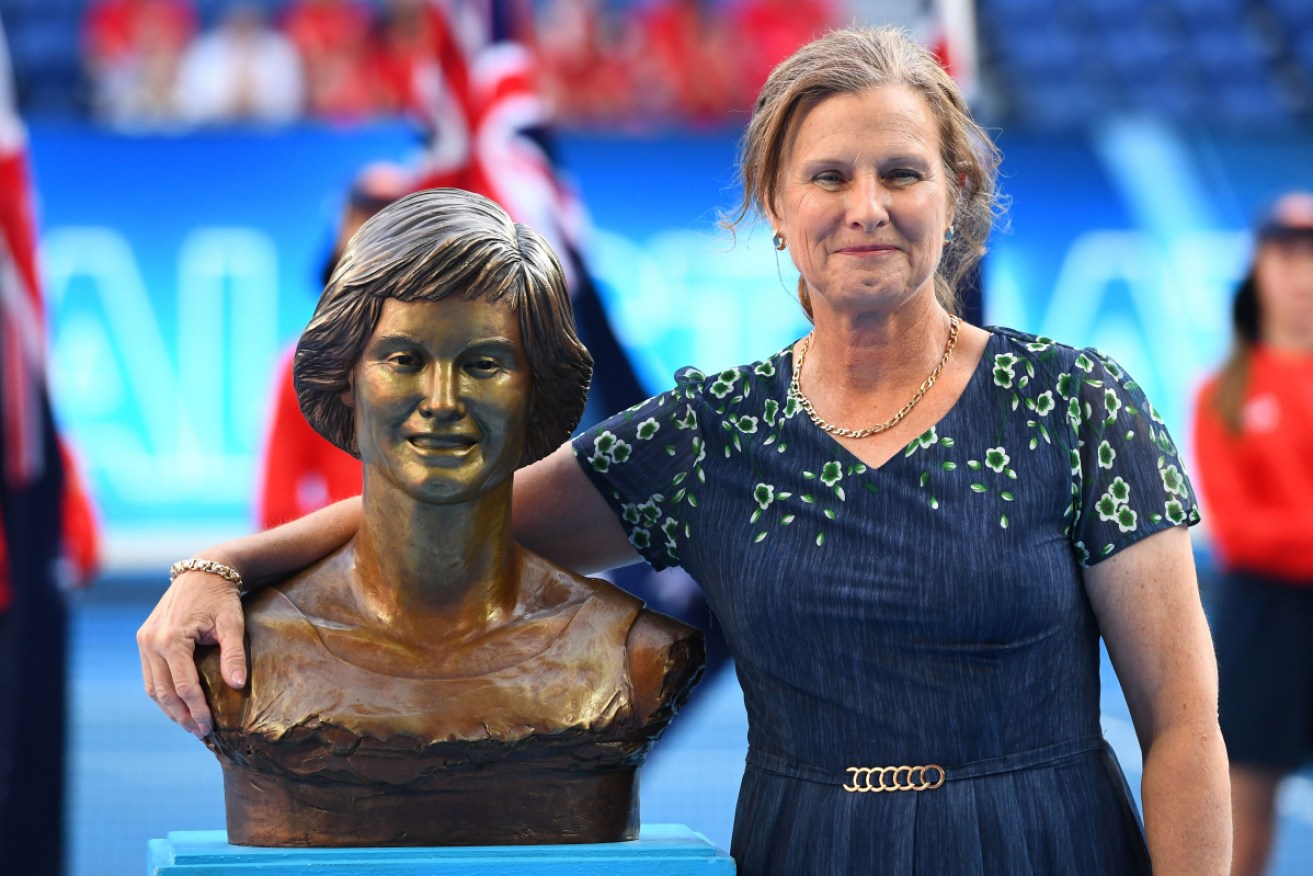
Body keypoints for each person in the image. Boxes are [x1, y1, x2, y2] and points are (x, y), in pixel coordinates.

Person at [140, 26, 1229, 873]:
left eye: (901, 175)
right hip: (806, 853)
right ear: (772, 205)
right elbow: (463, 517)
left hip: (1044, 850)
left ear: (956, 196)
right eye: (827, 177)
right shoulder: (714, 437)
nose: (866, 209)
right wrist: (221, 566)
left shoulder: (1075, 405)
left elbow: (1180, 730)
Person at [191, 187, 703, 846]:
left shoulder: (636, 655)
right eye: (404, 360)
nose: (441, 400)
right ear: (347, 379)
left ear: (535, 390)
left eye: (483, 364)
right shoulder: (245, 660)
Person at [1192, 191, 1313, 876]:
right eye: (1284, 255)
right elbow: (1239, 533)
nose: (1299, 274)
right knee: (1243, 810)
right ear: (1258, 271)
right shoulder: (1224, 393)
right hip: (1261, 624)